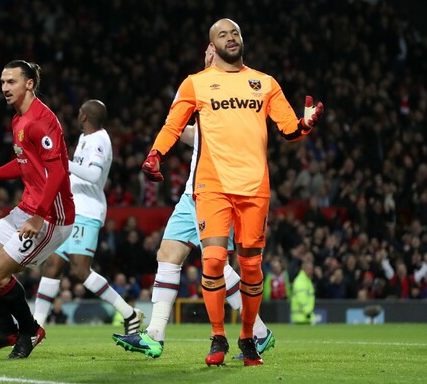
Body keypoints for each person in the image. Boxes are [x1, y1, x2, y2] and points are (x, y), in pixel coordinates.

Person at [138, 18, 323, 366]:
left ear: (242, 39)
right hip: (212, 186)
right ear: (212, 45)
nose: (230, 37)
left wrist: (305, 124)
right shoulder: (195, 83)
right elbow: (173, 125)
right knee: (213, 261)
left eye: (235, 32)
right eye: (222, 34)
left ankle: (249, 337)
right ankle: (217, 337)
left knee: (251, 268)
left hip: (254, 187)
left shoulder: (265, 83)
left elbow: (289, 129)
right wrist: (155, 154)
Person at [112, 52, 275, 358]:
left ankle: (258, 332)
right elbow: (192, 135)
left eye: (214, 49)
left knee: (217, 266)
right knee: (168, 254)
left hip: (218, 191)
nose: (210, 54)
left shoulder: (236, 94)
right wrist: (171, 131)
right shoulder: (200, 92)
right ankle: (155, 335)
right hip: (192, 193)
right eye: (208, 50)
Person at [0, 60, 75, 359]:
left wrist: (38, 217)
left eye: (11, 81)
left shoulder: (42, 120)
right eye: (2, 82)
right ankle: (5, 330)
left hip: (52, 217)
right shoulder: (18, 120)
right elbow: (24, 163)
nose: (4, 87)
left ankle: (30, 330)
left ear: (29, 83)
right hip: (27, 209)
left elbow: (57, 172)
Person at [33, 99, 144, 333]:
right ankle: (36, 327)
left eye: (79, 112)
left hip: (87, 211)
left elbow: (93, 175)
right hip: (71, 210)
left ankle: (129, 313)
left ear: (84, 116)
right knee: (52, 265)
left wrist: (64, 163)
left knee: (80, 270)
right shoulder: (85, 138)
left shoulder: (99, 140)